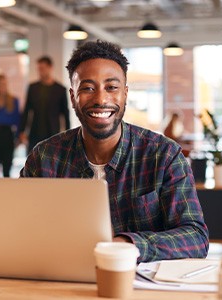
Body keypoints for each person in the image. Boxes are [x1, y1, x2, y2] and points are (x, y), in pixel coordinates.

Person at [20, 40, 209, 263]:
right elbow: (20, 228)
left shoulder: (164, 155)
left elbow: (195, 237)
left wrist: (127, 244)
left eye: (111, 87)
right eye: (88, 88)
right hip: (62, 282)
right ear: (73, 97)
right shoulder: (44, 158)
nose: (101, 99)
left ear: (125, 94)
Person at [19, 56, 70, 153]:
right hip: (35, 132)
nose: (40, 71)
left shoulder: (60, 89)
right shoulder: (33, 88)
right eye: (39, 69)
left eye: (42, 68)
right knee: (33, 161)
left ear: (50, 68)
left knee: (52, 162)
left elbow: (65, 114)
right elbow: (26, 110)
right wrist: (22, 131)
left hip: (53, 133)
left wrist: (68, 135)